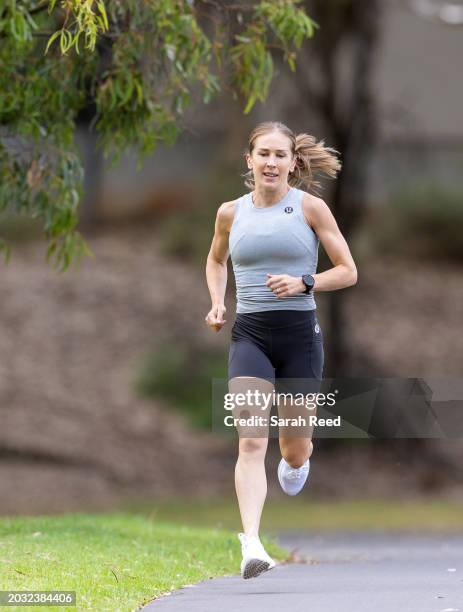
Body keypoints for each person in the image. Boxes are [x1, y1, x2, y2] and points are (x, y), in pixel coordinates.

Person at [205, 121, 357, 579]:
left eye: (280, 155)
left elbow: (348, 270)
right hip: (249, 335)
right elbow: (216, 260)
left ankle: (299, 461)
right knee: (251, 440)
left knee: (292, 449)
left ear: (293, 162)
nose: (271, 162)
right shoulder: (230, 213)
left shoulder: (310, 208)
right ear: (249, 160)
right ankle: (251, 543)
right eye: (263, 154)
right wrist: (216, 302)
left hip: (299, 339)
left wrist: (305, 281)